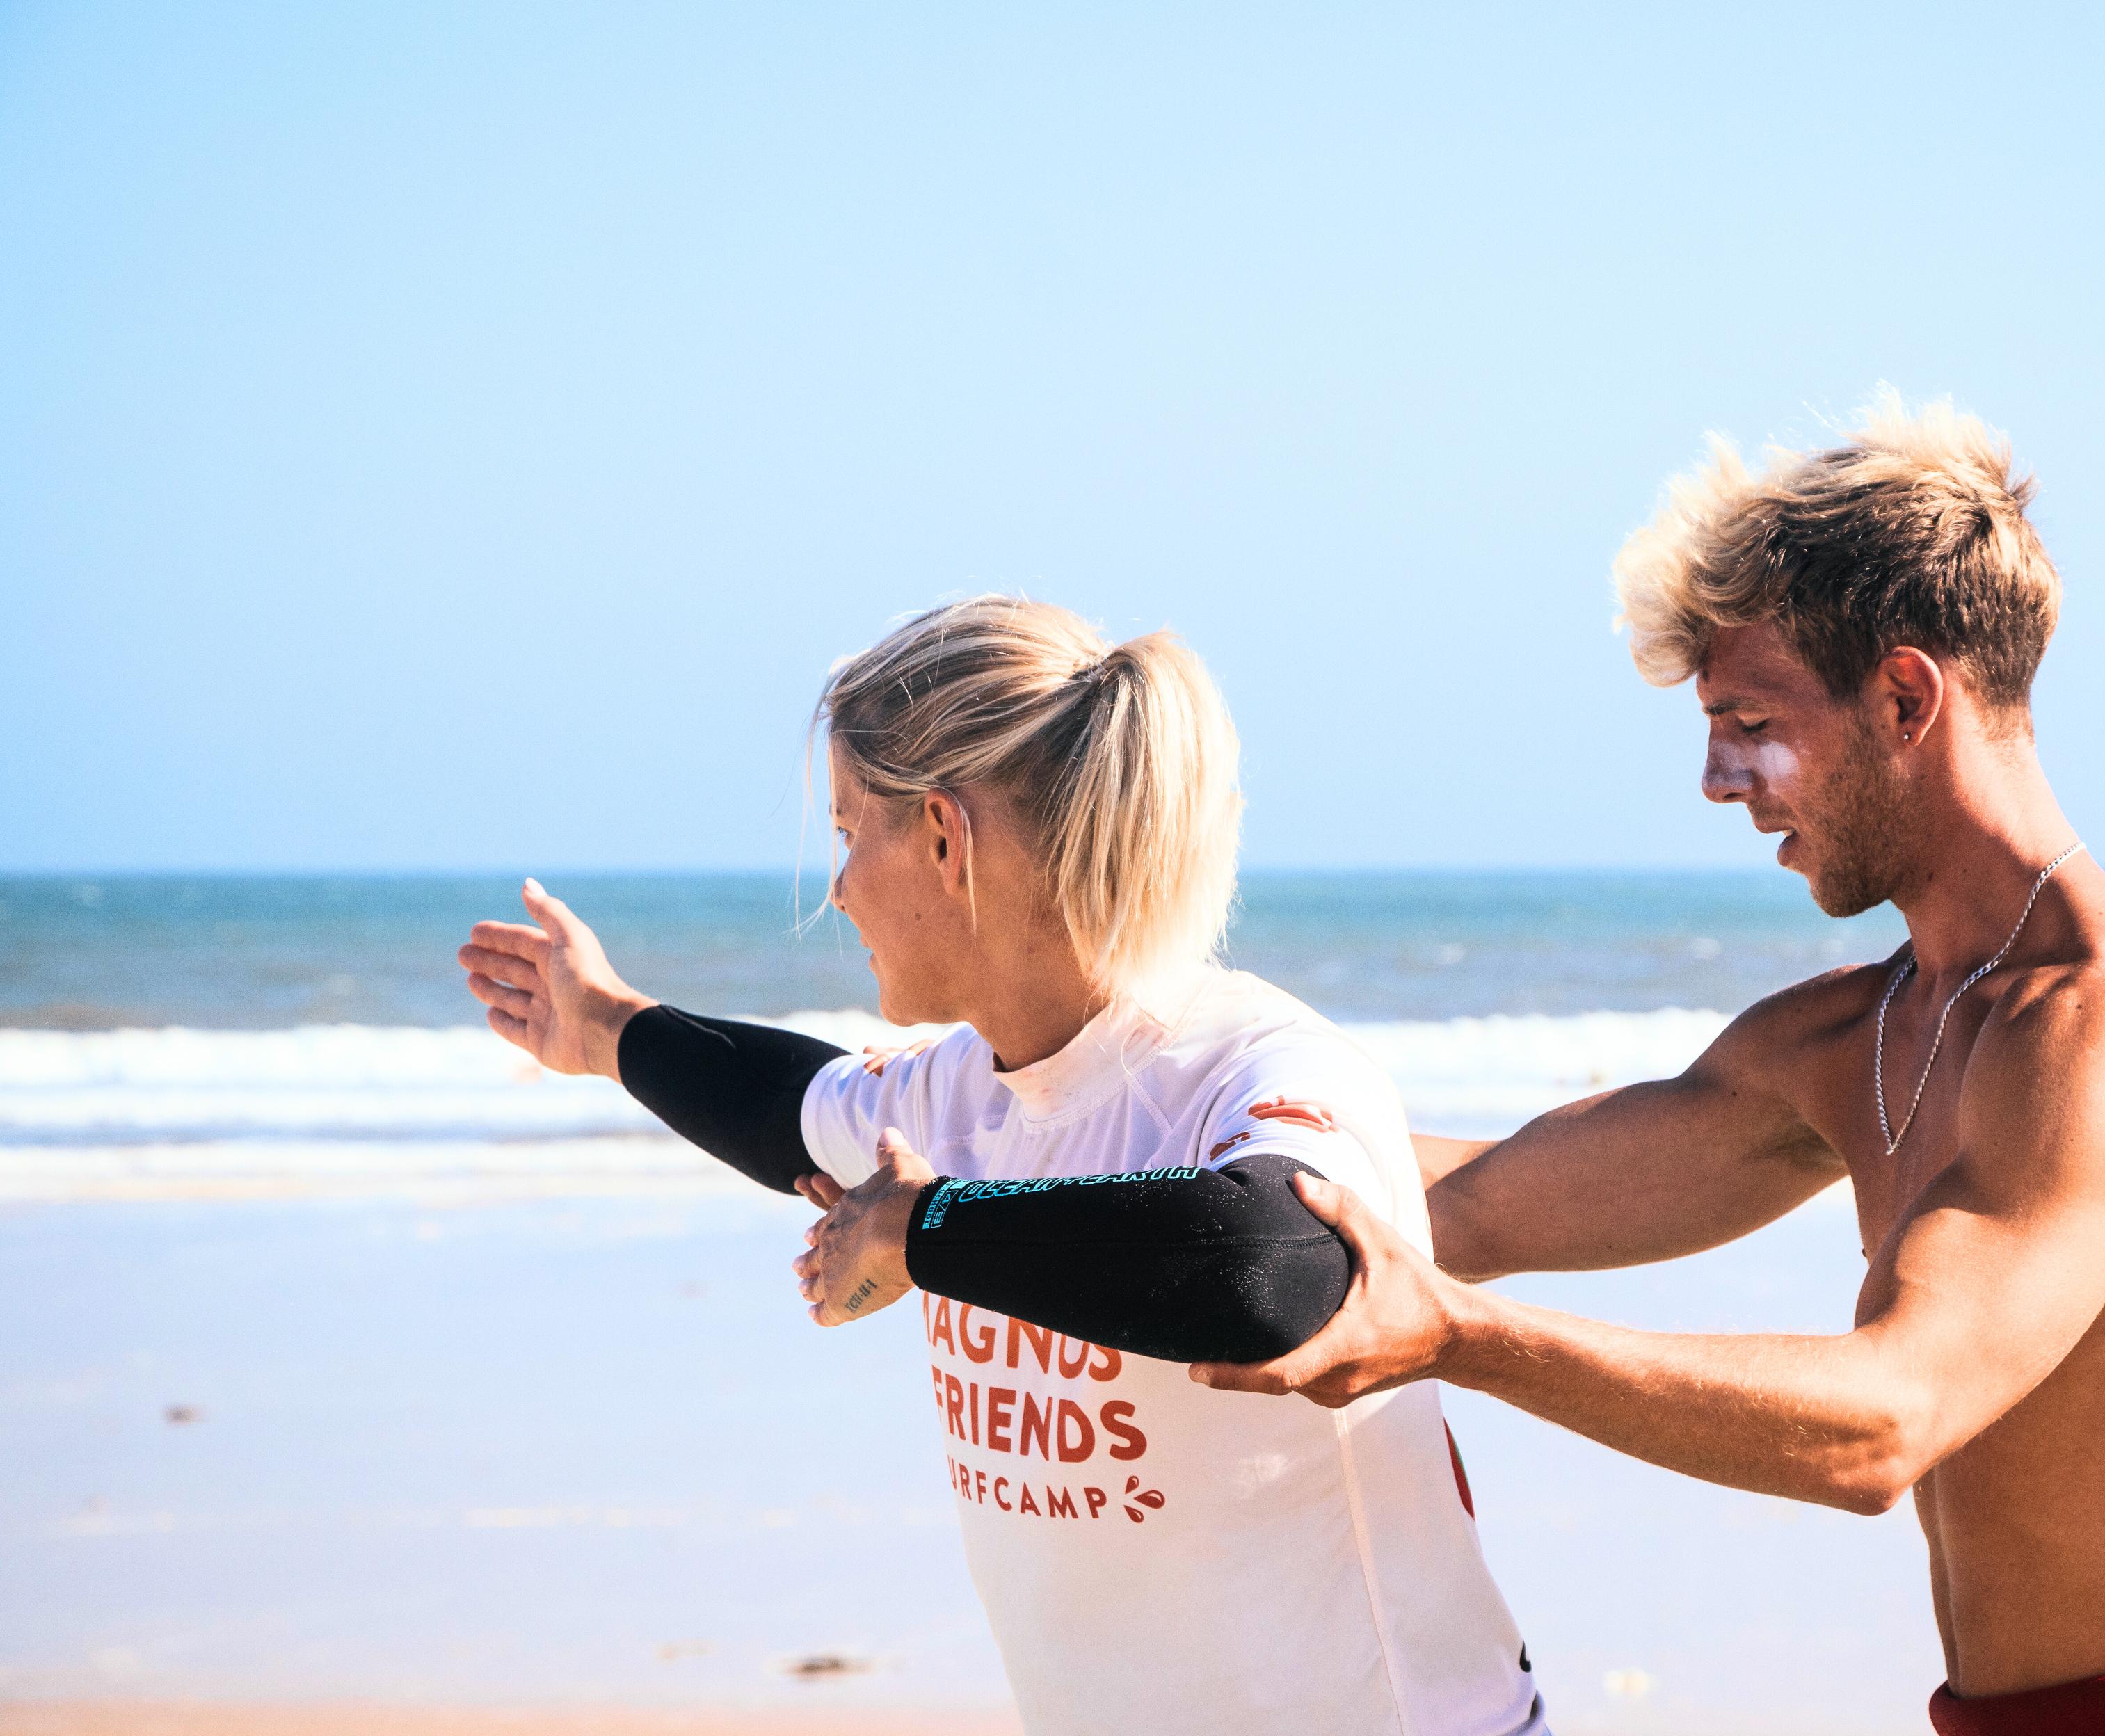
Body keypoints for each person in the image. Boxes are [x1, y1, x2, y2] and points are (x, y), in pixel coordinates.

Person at [1195, 399, 2105, 1735]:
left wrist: (1462, 1342)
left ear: (1903, 697)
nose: (1716, 780)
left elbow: (1887, 1417)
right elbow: (1458, 1203)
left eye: (1749, 719)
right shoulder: (1848, 1040)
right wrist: (1054, 1134)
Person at [457, 596, 1546, 1736]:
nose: (837, 890)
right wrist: (606, 1028)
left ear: (942, 835)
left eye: (848, 834)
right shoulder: (956, 1090)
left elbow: (1278, 1267)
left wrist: (922, 1232)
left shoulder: (1251, 1066)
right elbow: (787, 1105)